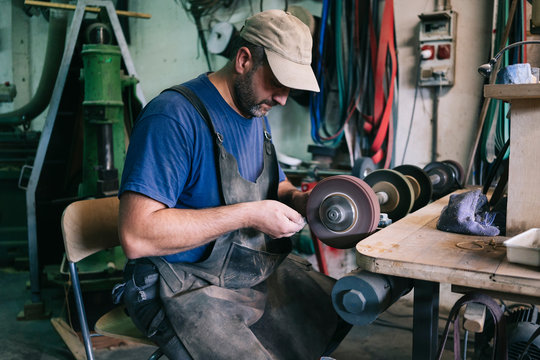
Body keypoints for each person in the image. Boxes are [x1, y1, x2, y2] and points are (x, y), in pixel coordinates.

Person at [115, 9, 351, 360]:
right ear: (244, 60)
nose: (284, 98)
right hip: (175, 286)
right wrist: (249, 214)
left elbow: (277, 188)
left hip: (240, 274)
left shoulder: (255, 111)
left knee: (333, 308)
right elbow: (136, 236)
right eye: (277, 82)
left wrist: (304, 200)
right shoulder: (173, 117)